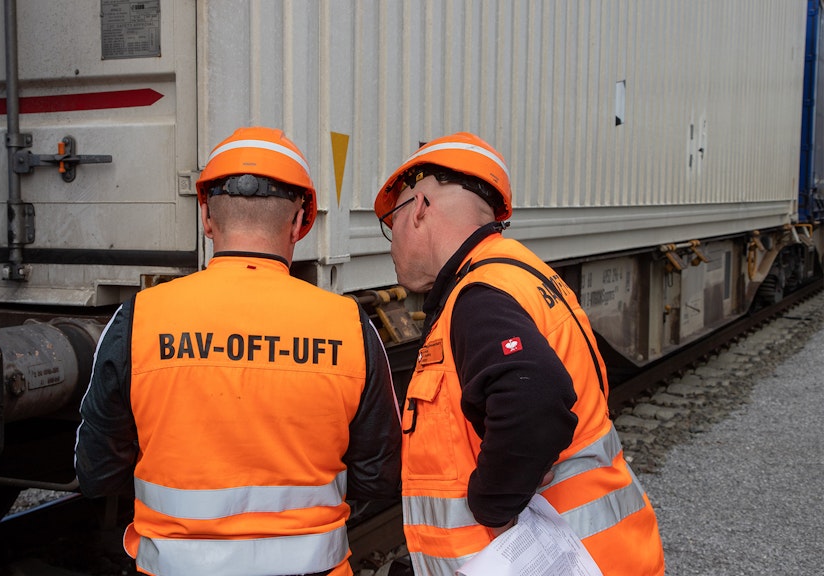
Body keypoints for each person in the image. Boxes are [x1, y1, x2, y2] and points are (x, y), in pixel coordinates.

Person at [75, 126, 402, 576]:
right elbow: (378, 478)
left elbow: (96, 473)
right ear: (298, 223)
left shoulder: (139, 319)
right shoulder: (349, 326)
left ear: (207, 217)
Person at [374, 132, 665, 575]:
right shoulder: (523, 274)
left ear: (418, 209)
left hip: (558, 560)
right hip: (605, 551)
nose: (390, 241)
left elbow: (535, 397)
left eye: (389, 222)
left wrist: (492, 503)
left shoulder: (480, 295)